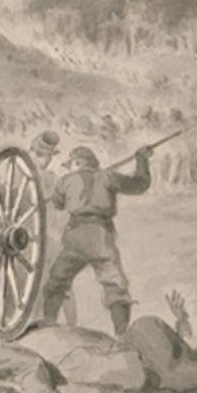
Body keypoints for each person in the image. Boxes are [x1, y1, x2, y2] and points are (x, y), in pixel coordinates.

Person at [43, 141, 152, 334]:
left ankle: (48, 323)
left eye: (71, 164)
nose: (70, 167)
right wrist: (141, 160)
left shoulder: (65, 180)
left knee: (57, 280)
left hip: (75, 236)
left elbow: (58, 204)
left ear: (78, 163)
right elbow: (139, 185)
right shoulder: (108, 176)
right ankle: (122, 334)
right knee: (115, 285)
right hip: (101, 236)